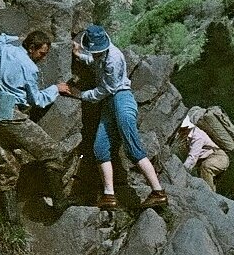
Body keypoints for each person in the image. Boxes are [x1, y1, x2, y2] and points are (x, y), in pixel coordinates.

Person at [72, 24, 168, 211]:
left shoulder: (114, 59)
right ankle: (109, 196)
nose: (96, 53)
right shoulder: (101, 55)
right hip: (109, 104)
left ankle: (158, 192)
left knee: (132, 146)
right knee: (100, 148)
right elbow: (94, 62)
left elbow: (106, 89)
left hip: (121, 99)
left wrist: (80, 94)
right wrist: (79, 55)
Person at [0, 30, 73, 220]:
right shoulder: (30, 68)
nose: (42, 58)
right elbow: (37, 100)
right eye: (41, 53)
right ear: (32, 48)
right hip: (11, 115)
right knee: (52, 152)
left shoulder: (5, 50)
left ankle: (10, 219)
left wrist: (16, 37)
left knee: (8, 165)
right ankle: (59, 201)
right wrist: (55, 89)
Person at [178, 116, 229, 191]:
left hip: (219, 157)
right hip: (210, 158)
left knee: (206, 167)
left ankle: (209, 195)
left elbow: (193, 157)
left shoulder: (197, 136)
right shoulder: (188, 135)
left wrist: (181, 172)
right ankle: (211, 194)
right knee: (204, 174)